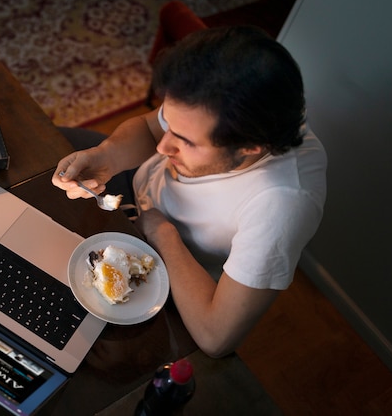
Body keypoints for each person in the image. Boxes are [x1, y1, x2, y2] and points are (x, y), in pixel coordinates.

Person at [52, 26, 327, 358]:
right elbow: (151, 129)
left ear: (252, 147)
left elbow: (216, 337)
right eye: (171, 121)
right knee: (46, 152)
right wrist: (106, 157)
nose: (164, 146)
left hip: (175, 272)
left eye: (186, 142)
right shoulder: (223, 101)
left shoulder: (282, 205)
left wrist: (162, 232)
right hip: (135, 194)